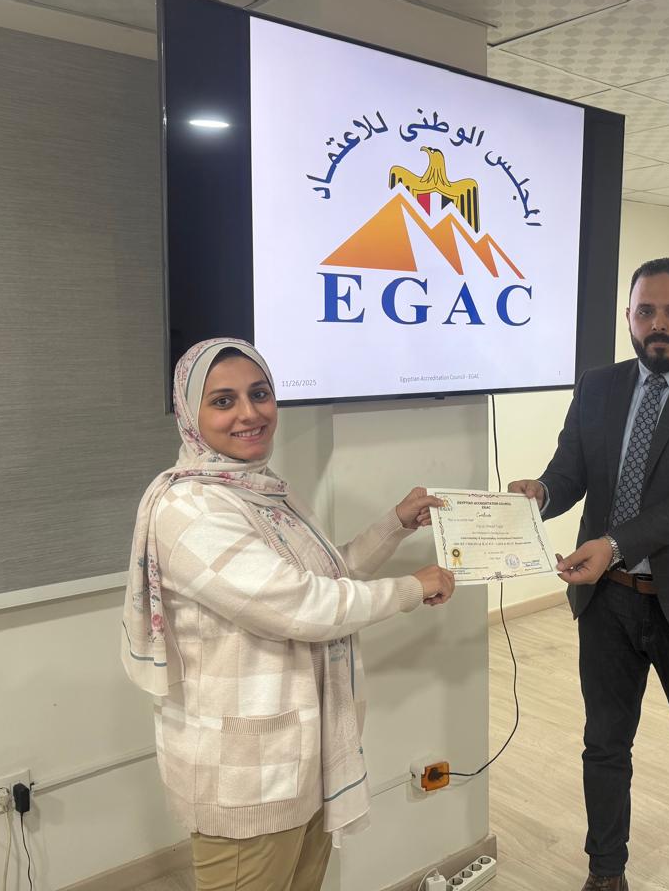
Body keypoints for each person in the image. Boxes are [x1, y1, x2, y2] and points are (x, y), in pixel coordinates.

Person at [121, 337, 454, 891]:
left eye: (260, 393)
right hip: (245, 778)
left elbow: (325, 576)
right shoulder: (190, 507)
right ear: (189, 414)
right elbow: (299, 605)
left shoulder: (261, 491)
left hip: (305, 754)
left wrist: (394, 524)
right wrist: (409, 590)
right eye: (223, 401)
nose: (249, 413)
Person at [509, 258, 669, 891]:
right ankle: (605, 873)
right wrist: (542, 493)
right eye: (646, 311)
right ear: (629, 316)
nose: (659, 324)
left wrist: (614, 543)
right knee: (604, 745)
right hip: (607, 603)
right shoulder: (598, 385)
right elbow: (572, 469)